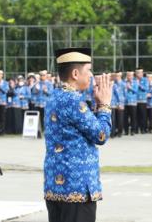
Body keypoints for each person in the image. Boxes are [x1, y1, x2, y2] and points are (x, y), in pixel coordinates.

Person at [44, 47, 112, 222]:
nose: (91, 75)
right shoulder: (74, 100)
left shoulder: (54, 97)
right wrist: (104, 106)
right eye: (88, 70)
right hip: (77, 188)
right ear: (75, 73)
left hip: (56, 186)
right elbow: (100, 135)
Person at [0, 70, 9, 135]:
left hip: (2, 102)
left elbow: (5, 91)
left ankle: (2, 131)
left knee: (2, 117)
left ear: (2, 75)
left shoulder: (5, 83)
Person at [124, 71, 138, 136]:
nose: (129, 76)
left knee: (133, 117)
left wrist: (130, 88)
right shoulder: (124, 82)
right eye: (128, 75)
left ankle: (133, 131)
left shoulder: (135, 82)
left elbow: (136, 91)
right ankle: (126, 131)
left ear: (133, 76)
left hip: (133, 103)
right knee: (125, 117)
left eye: (130, 75)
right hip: (125, 102)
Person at [135, 68, 148, 134]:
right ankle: (136, 129)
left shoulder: (145, 80)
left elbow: (146, 88)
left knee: (143, 115)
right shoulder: (134, 80)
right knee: (136, 116)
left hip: (142, 101)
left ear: (142, 73)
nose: (138, 74)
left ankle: (143, 129)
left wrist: (139, 85)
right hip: (135, 101)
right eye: (137, 73)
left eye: (139, 73)